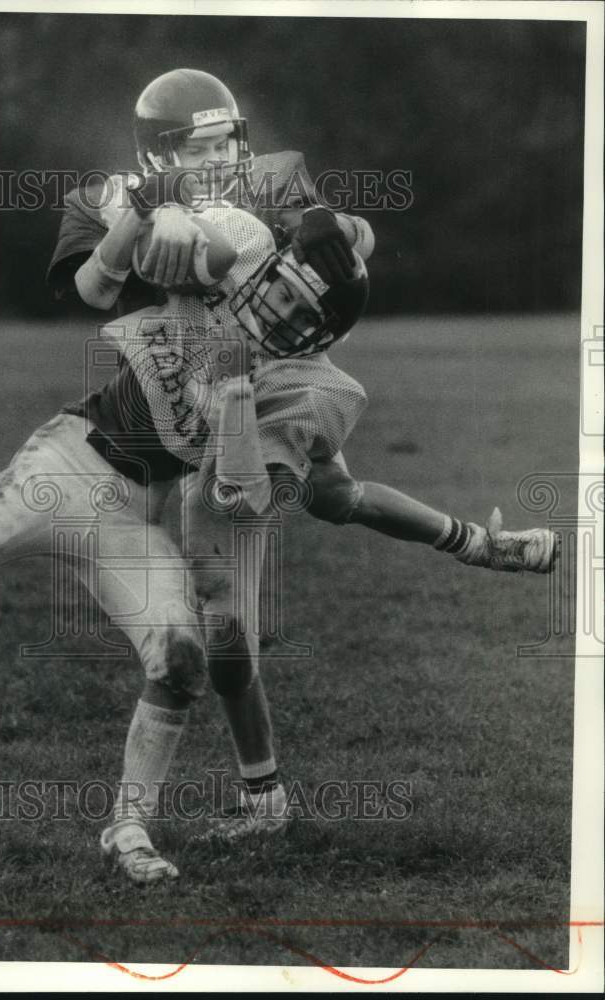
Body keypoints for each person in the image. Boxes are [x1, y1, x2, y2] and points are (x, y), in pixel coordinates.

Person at [46, 68, 557, 865]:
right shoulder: (112, 198)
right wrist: (143, 225)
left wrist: (341, 225)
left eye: (228, 140)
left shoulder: (270, 176)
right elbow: (91, 285)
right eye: (201, 144)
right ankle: (481, 545)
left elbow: (343, 237)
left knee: (223, 626)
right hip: (194, 392)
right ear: (156, 154)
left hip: (271, 387)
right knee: (335, 495)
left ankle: (262, 798)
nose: (222, 156)